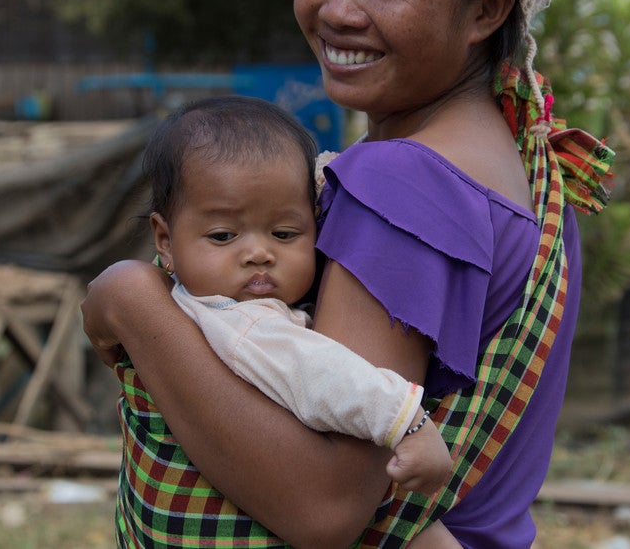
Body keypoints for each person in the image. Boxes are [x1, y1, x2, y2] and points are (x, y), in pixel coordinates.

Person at [82, 0, 614, 546]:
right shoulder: (519, 159)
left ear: (486, 11)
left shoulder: (404, 184)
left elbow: (325, 505)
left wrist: (133, 300)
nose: (338, 9)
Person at [127, 95, 453, 504]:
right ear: (165, 240)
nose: (259, 254)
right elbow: (317, 372)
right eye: (223, 236)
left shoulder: (186, 306)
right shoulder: (242, 322)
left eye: (284, 234)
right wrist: (405, 421)